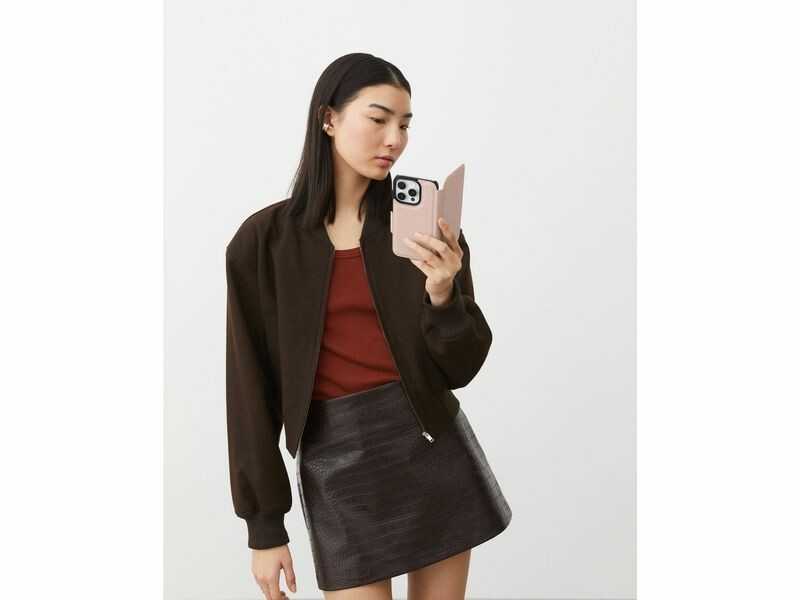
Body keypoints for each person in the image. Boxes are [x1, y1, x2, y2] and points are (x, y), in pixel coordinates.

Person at [225, 52, 512, 600]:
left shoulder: (426, 230)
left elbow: (461, 367)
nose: (394, 139)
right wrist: (264, 527)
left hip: (432, 449)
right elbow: (249, 391)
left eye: (405, 124)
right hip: (336, 464)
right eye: (378, 119)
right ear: (329, 118)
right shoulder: (263, 243)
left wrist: (444, 294)